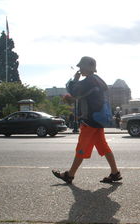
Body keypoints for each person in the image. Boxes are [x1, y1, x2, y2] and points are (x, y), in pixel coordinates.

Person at [52, 56, 121, 184]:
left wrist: (75, 79)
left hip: (90, 120)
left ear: (89, 67)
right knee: (104, 147)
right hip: (99, 119)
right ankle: (115, 172)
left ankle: (69, 175)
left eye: (81, 66)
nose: (80, 68)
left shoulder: (89, 81)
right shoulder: (99, 80)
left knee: (81, 148)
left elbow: (73, 91)